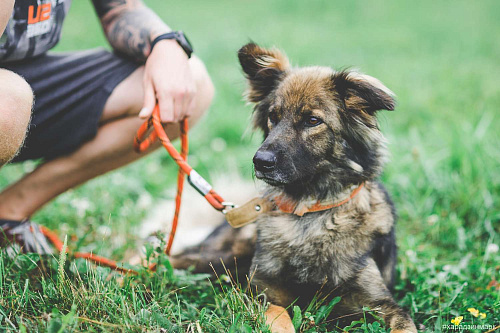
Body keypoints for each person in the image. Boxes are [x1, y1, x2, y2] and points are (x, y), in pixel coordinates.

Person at [0, 0, 214, 253]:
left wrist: (163, 42)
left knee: (191, 81)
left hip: (30, 78)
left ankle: (8, 213)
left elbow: (120, 9)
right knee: (9, 101)